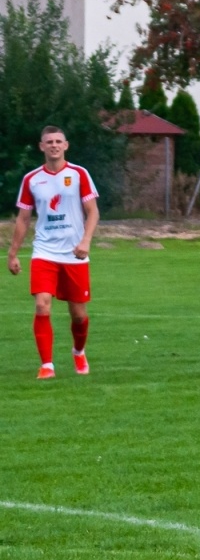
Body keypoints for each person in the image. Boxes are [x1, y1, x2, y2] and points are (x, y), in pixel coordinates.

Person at [8, 126, 99, 379]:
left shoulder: (79, 174)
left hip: (74, 254)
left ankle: (79, 352)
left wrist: (86, 241)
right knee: (41, 306)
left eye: (59, 141)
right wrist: (13, 253)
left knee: (79, 315)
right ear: (42, 146)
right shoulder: (32, 179)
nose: (54, 145)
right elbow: (24, 218)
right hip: (44, 252)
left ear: (66, 145)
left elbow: (93, 212)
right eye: (49, 142)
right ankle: (47, 365)